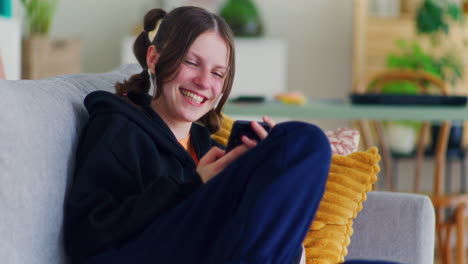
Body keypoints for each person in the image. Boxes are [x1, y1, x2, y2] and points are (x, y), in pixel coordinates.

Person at [64, 6, 400, 264]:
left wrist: (263, 172)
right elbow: (87, 234)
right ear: (155, 58)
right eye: (192, 63)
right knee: (305, 142)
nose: (203, 82)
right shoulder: (118, 125)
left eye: (217, 73)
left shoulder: (205, 145)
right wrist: (194, 184)